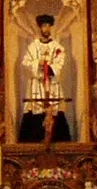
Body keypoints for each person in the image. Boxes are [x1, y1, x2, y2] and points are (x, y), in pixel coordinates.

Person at [18, 13, 72, 143]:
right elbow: (25, 63)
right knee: (35, 111)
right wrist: (38, 63)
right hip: (37, 84)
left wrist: (49, 66)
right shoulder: (33, 47)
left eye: (48, 26)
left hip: (52, 84)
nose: (46, 29)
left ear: (51, 27)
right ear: (40, 28)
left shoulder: (57, 47)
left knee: (54, 111)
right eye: (44, 26)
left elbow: (60, 64)